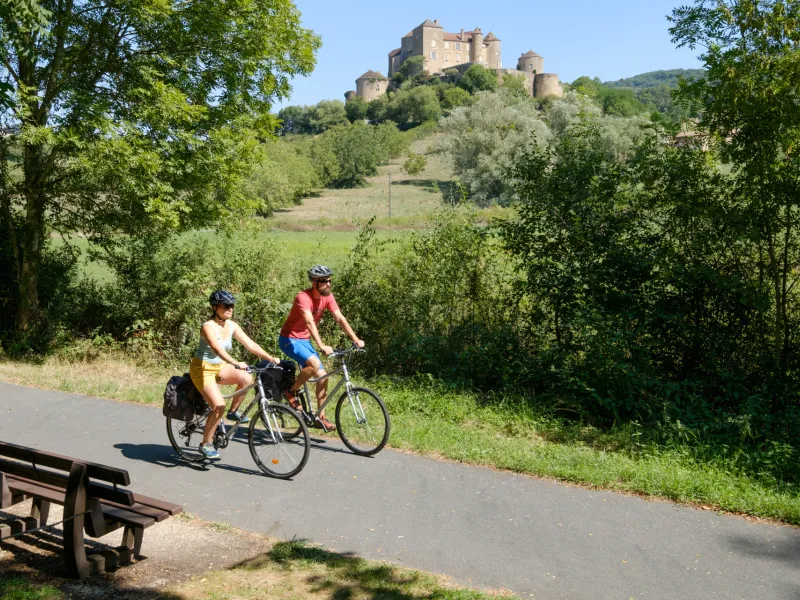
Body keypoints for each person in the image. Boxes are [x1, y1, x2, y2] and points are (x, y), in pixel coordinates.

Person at [189, 290, 281, 460]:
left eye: (232, 305)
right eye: (226, 306)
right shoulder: (208, 326)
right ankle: (205, 444)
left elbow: (250, 344)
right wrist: (235, 363)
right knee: (218, 406)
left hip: (220, 367)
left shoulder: (232, 325)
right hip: (202, 369)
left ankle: (233, 411)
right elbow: (217, 348)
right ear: (215, 307)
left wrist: (270, 358)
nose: (230, 309)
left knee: (246, 378)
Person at [279, 265, 364, 431]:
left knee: (323, 376)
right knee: (314, 365)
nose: (329, 284)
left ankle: (320, 417)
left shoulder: (328, 297)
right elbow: (310, 322)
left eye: (330, 281)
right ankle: (290, 391)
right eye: (325, 281)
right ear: (314, 282)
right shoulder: (303, 297)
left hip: (304, 341)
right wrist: (321, 345)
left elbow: (339, 318)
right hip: (289, 339)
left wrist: (355, 339)